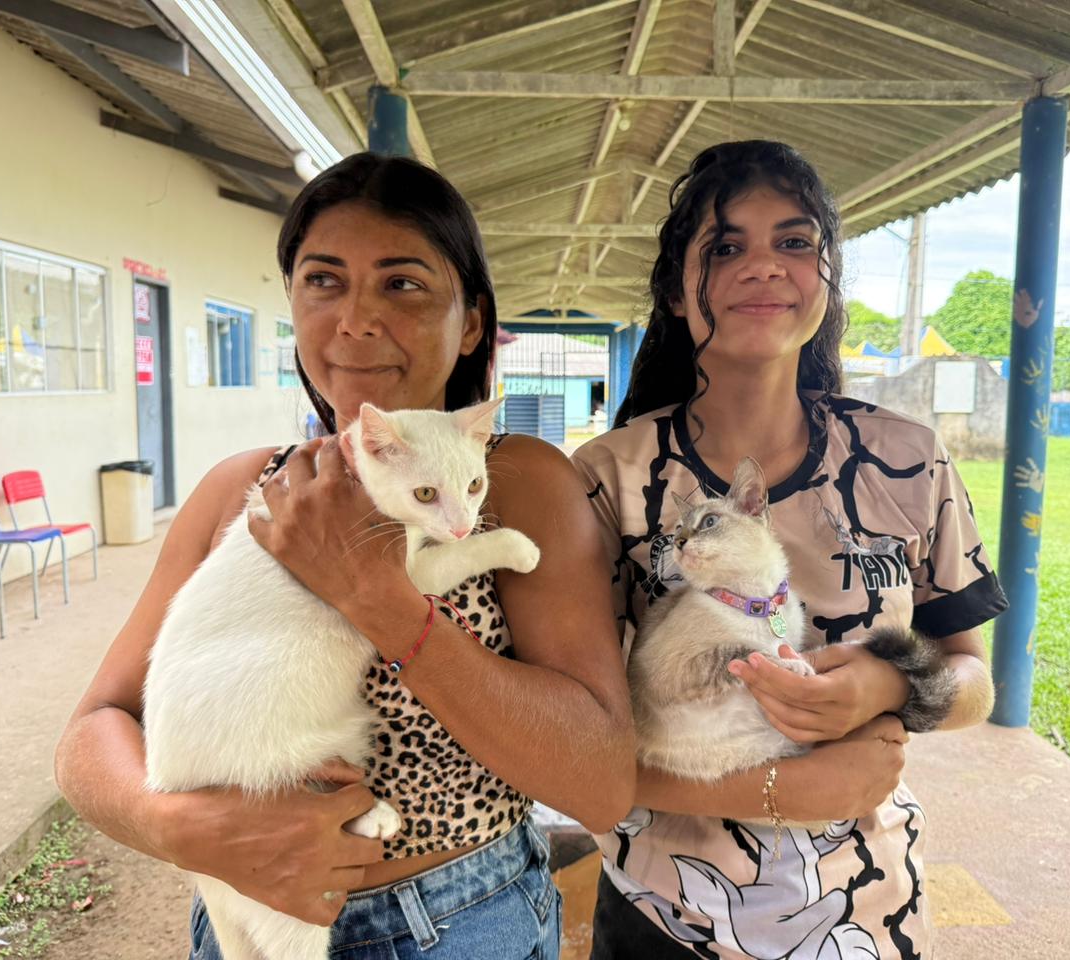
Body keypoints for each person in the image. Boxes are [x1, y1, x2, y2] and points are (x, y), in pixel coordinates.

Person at [54, 153, 635, 959]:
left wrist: (376, 597)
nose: (356, 319)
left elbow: (599, 785)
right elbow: (93, 729)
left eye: (402, 284)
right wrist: (178, 825)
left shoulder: (514, 480)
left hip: (455, 919)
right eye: (323, 281)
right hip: (245, 911)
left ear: (470, 322)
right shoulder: (241, 489)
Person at [572, 140, 1008, 960]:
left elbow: (977, 680)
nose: (764, 267)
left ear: (828, 279)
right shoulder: (604, 480)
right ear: (674, 290)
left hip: (864, 908)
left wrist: (888, 684)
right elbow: (570, 747)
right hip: (664, 915)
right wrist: (780, 787)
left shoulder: (907, 460)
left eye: (796, 242)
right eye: (726, 246)